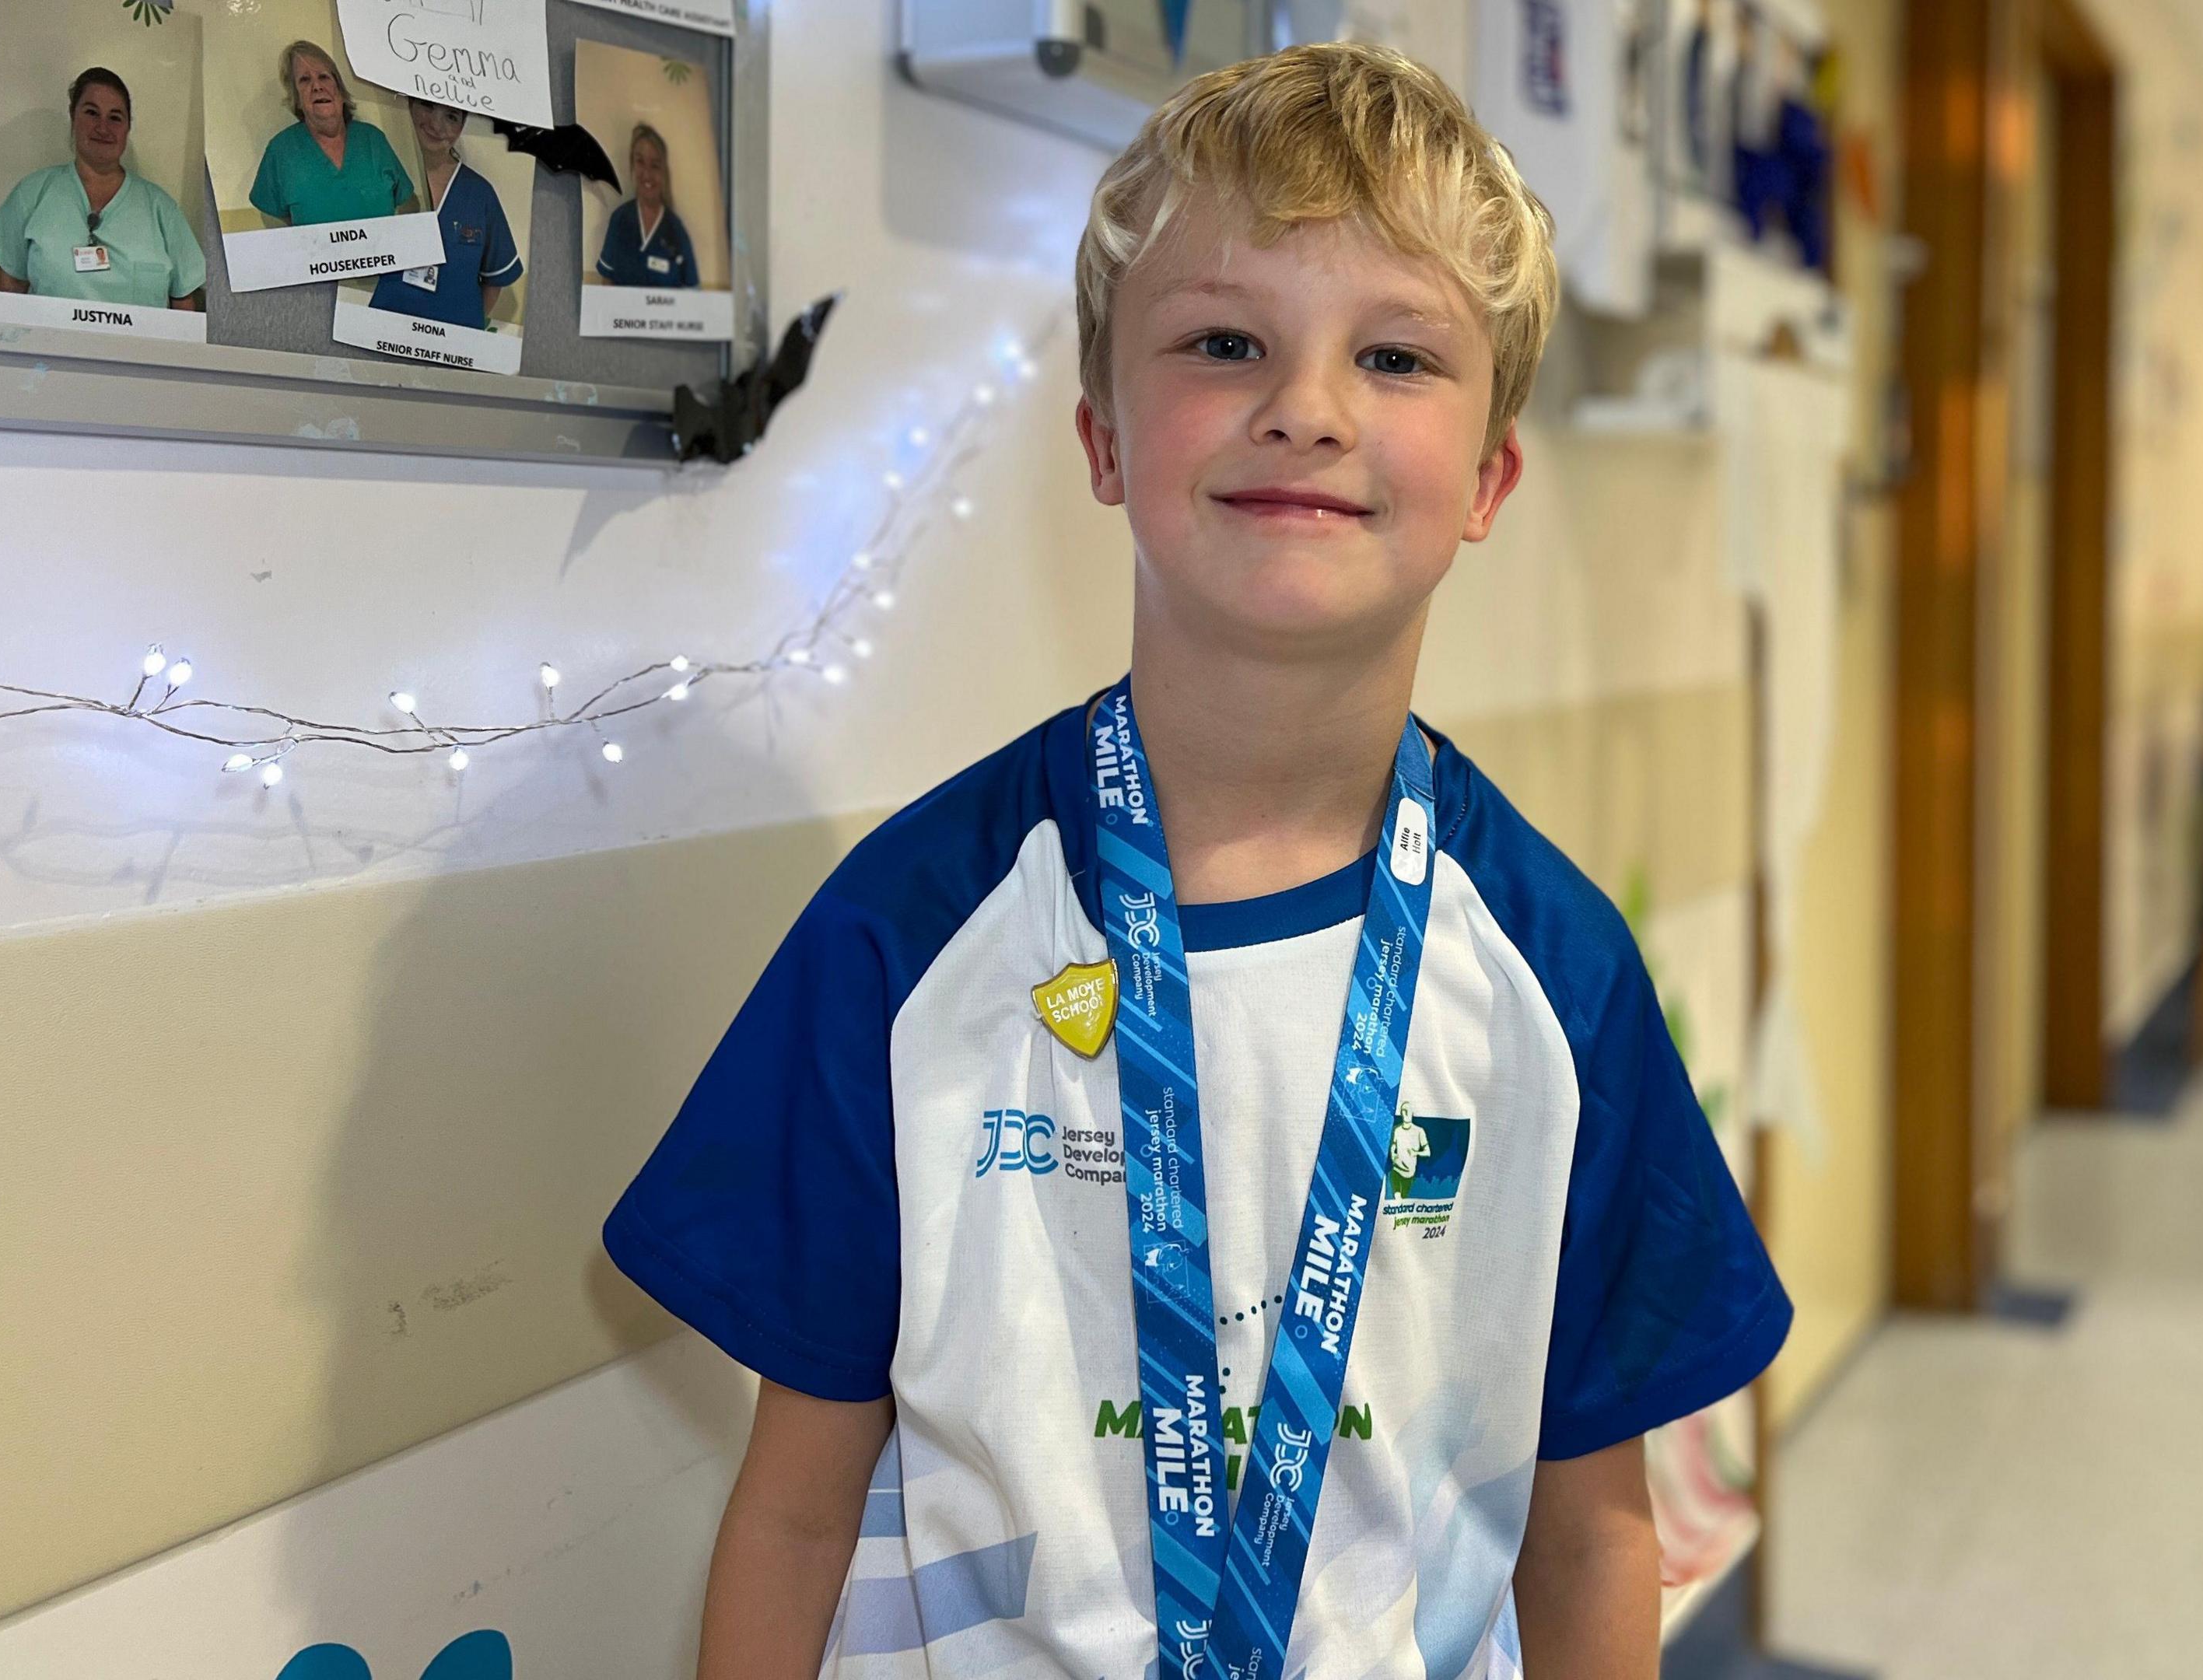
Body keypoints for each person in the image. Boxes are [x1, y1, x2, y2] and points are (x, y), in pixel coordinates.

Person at [603, 41, 1789, 1680]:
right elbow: (797, 1517)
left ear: (1490, 480)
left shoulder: (1554, 977)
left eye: (1396, 355)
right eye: (1225, 341)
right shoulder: (908, 939)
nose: (1305, 407)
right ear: (1102, 440)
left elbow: (1590, 1534)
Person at [0, 68, 206, 312]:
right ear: (73, 115)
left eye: (115, 117)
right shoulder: (32, 194)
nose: (103, 127)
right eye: (92, 113)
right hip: (50, 348)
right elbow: (9, 294)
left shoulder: (162, 210)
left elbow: (184, 304)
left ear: (128, 127)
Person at [366, 100, 521, 331]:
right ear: (409, 106)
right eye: (428, 106)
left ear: (462, 126)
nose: (437, 125)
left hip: (451, 351)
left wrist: (461, 328)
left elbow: (494, 280)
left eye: (451, 116)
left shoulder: (480, 195)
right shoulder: (376, 177)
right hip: (382, 338)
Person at [248, 40, 414, 228]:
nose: (317, 86)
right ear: (297, 99)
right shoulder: (281, 151)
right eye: (305, 80)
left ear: (340, 90)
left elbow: (407, 204)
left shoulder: (374, 141)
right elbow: (281, 225)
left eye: (324, 77)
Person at [592, 123, 699, 289]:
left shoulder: (676, 230)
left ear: (664, 172)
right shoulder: (620, 221)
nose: (647, 174)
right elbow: (607, 285)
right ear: (632, 166)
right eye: (640, 161)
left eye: (655, 165)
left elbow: (691, 294)